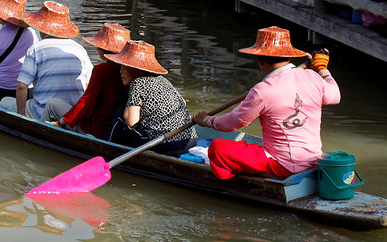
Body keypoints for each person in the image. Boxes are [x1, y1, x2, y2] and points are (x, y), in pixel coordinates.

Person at [192, 26, 340, 179]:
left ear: (260, 59)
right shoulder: (312, 76)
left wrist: (206, 120)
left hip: (283, 166)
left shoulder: (262, 91)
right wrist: (322, 69)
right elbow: (335, 96)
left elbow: (230, 124)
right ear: (289, 57)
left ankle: (250, 177)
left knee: (217, 148)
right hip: (312, 159)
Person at [0, 1, 92, 120]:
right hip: (70, 114)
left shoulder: (36, 48)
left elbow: (22, 86)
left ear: (42, 28)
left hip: (41, 112)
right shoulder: (80, 49)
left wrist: (21, 115)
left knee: (5, 102)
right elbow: (88, 85)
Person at [105, 40, 197, 156]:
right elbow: (182, 101)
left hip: (168, 144)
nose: (121, 71)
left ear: (136, 69)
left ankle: (106, 150)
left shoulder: (138, 83)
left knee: (120, 116)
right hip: (191, 141)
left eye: (124, 67)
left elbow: (131, 121)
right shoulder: (163, 80)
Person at [44, 23, 130, 136]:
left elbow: (86, 102)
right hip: (114, 129)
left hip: (96, 129)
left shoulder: (102, 70)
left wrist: (62, 121)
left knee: (52, 104)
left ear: (102, 50)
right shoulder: (129, 71)